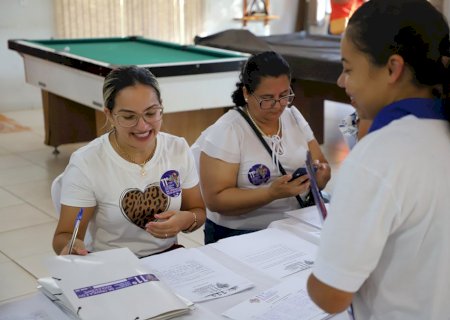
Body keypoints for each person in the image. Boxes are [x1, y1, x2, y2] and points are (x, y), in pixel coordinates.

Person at [307, 1, 450, 318]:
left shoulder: (381, 154)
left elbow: (330, 295)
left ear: (392, 68)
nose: (341, 82)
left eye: (347, 69)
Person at [52, 66, 206, 258]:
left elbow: (198, 211)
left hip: (166, 258)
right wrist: (71, 246)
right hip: (111, 262)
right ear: (109, 115)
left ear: (161, 108)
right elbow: (64, 235)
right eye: (128, 116)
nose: (142, 126)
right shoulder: (87, 162)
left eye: (151, 113)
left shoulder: (177, 149)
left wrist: (187, 220)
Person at [192, 51, 331, 244]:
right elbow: (216, 201)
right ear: (246, 93)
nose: (278, 105)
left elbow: (321, 163)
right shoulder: (228, 130)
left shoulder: (293, 117)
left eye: (284, 95)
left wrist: (320, 176)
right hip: (242, 232)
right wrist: (271, 193)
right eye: (267, 98)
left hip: (294, 222)